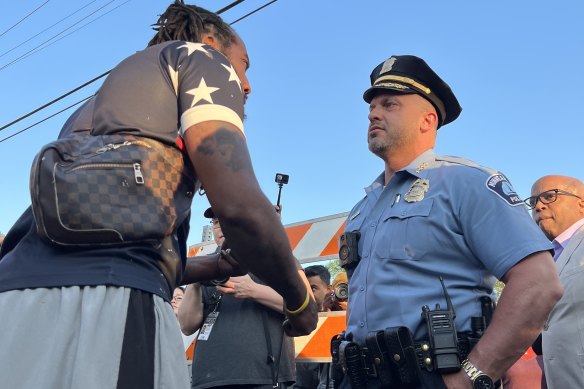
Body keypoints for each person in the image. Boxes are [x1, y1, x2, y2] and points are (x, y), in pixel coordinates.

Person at [0, 2, 316, 389]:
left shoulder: (109, 101)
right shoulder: (199, 57)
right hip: (111, 300)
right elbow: (241, 207)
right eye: (245, 64)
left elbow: (103, 233)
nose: (247, 84)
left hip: (19, 296)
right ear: (211, 42)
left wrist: (215, 267)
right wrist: (299, 301)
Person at [337, 55, 563, 389]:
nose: (373, 113)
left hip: (435, 377)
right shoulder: (361, 208)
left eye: (390, 104)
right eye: (372, 107)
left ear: (427, 120)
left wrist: (470, 377)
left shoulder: (465, 182)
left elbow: (539, 284)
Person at [179, 206, 297, 389]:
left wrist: (253, 290)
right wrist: (194, 282)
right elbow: (187, 326)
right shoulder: (204, 264)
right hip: (208, 378)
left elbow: (305, 307)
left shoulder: (275, 258)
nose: (221, 227)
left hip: (261, 376)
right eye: (216, 222)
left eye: (228, 220)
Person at [525, 175, 584, 389]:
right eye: (532, 202)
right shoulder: (548, 257)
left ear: (582, 203)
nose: (538, 206)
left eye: (550, 196)